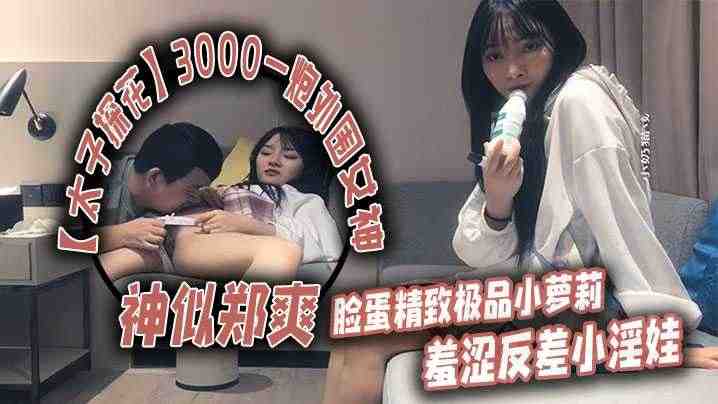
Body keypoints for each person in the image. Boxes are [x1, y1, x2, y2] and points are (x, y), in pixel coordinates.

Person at [322, 1, 716, 403]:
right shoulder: (524, 118)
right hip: (539, 295)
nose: (513, 70)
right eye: (494, 55)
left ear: (558, 41)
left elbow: (626, 225)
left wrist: (661, 338)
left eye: (529, 47)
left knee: (365, 341)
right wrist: (498, 199)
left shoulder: (580, 102)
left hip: (582, 308)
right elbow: (474, 251)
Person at [100, 125, 342, 283]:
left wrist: (247, 225)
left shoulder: (305, 200)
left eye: (289, 156)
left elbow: (329, 250)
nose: (274, 161)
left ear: (308, 166)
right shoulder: (228, 186)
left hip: (195, 240)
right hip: (166, 232)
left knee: (283, 252)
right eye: (265, 152)